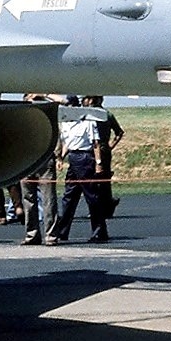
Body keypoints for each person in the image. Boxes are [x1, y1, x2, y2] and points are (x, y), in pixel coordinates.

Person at [49, 95, 124, 244]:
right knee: (69, 196)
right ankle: (62, 231)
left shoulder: (88, 122)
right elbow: (66, 142)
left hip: (85, 158)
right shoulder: (66, 123)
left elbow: (95, 143)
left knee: (92, 196)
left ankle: (99, 231)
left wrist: (98, 162)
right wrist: (61, 158)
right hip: (73, 157)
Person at [20, 93, 60, 246]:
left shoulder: (47, 115)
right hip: (26, 160)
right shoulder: (21, 118)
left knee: (48, 199)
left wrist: (44, 95)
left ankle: (50, 235)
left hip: (45, 159)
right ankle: (32, 234)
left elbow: (67, 101)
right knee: (28, 200)